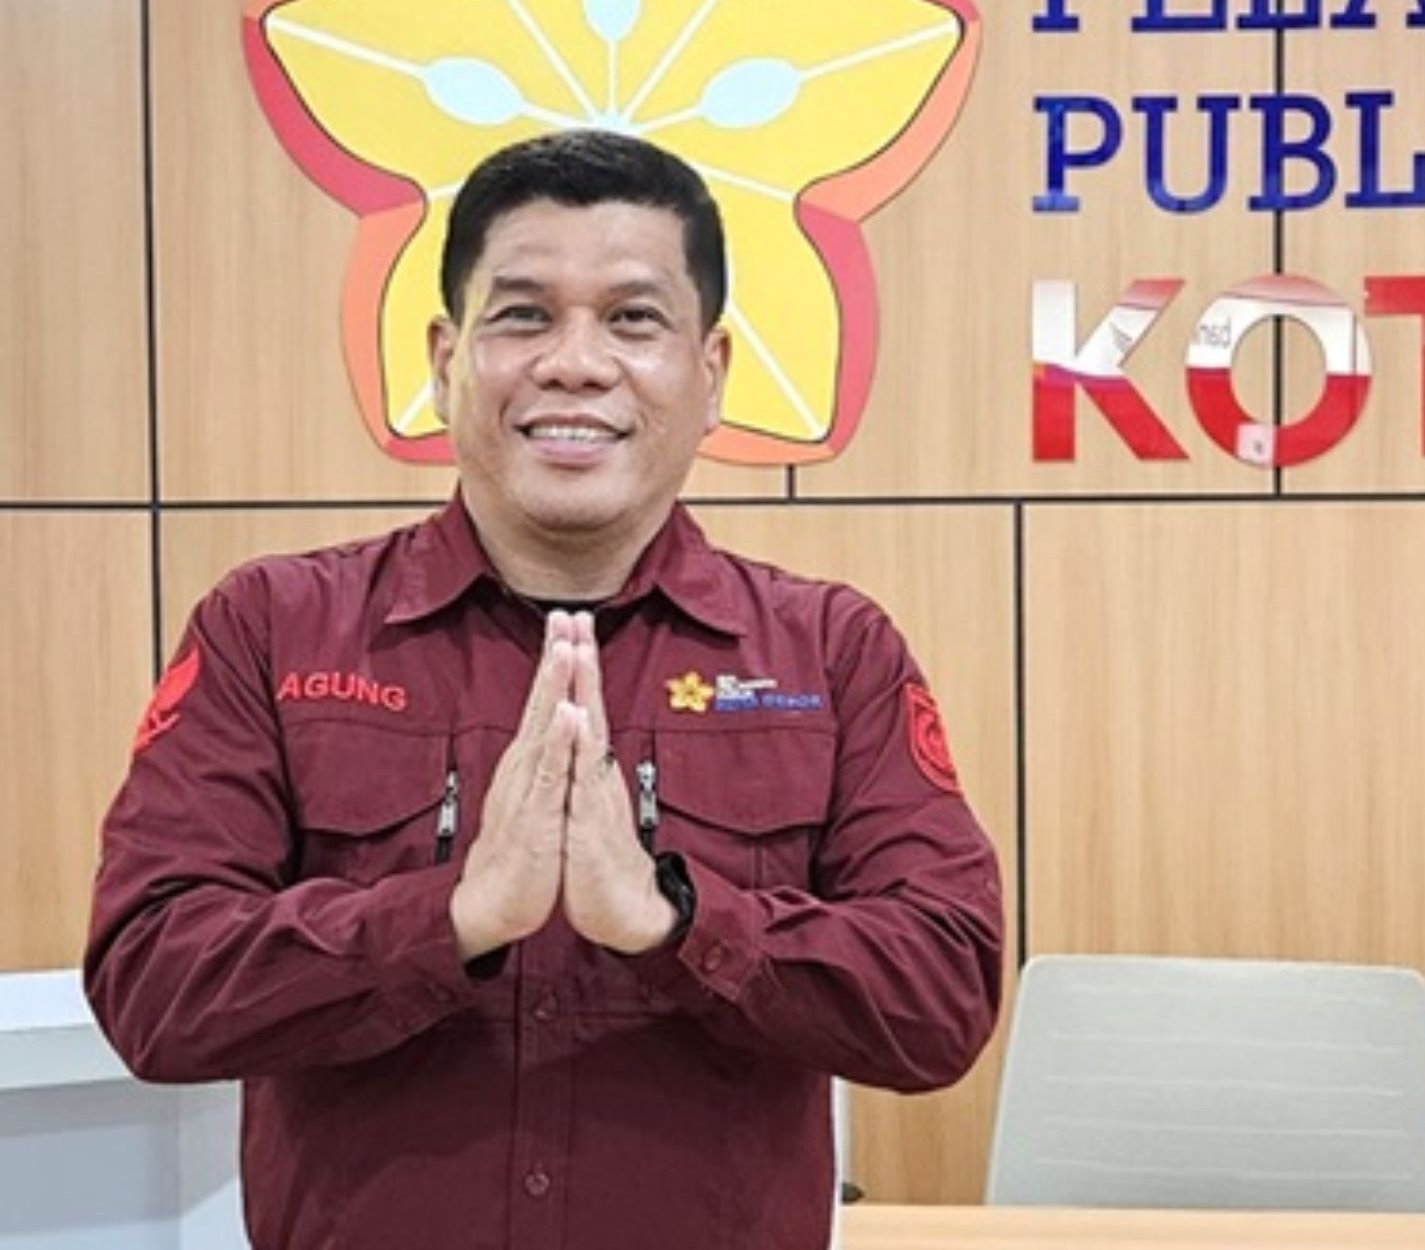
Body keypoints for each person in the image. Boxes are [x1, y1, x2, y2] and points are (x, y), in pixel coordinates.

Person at [85, 130, 1004, 1250]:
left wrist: (676, 923)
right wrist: (454, 916)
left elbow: (940, 997)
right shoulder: (271, 628)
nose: (575, 363)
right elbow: (151, 981)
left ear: (710, 373)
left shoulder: (831, 651)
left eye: (633, 318)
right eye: (523, 315)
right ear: (444, 362)